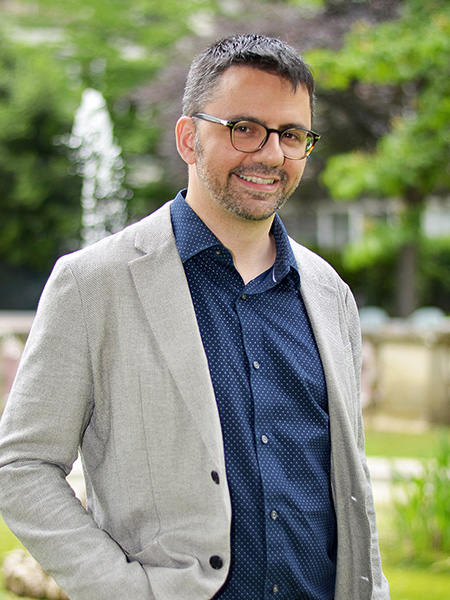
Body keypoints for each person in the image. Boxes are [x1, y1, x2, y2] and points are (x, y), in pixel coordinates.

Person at [0, 34, 390, 600]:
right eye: (244, 128)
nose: (272, 154)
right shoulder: (92, 284)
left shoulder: (331, 294)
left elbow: (351, 484)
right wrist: (121, 590)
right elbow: (22, 465)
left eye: (291, 134)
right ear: (189, 138)